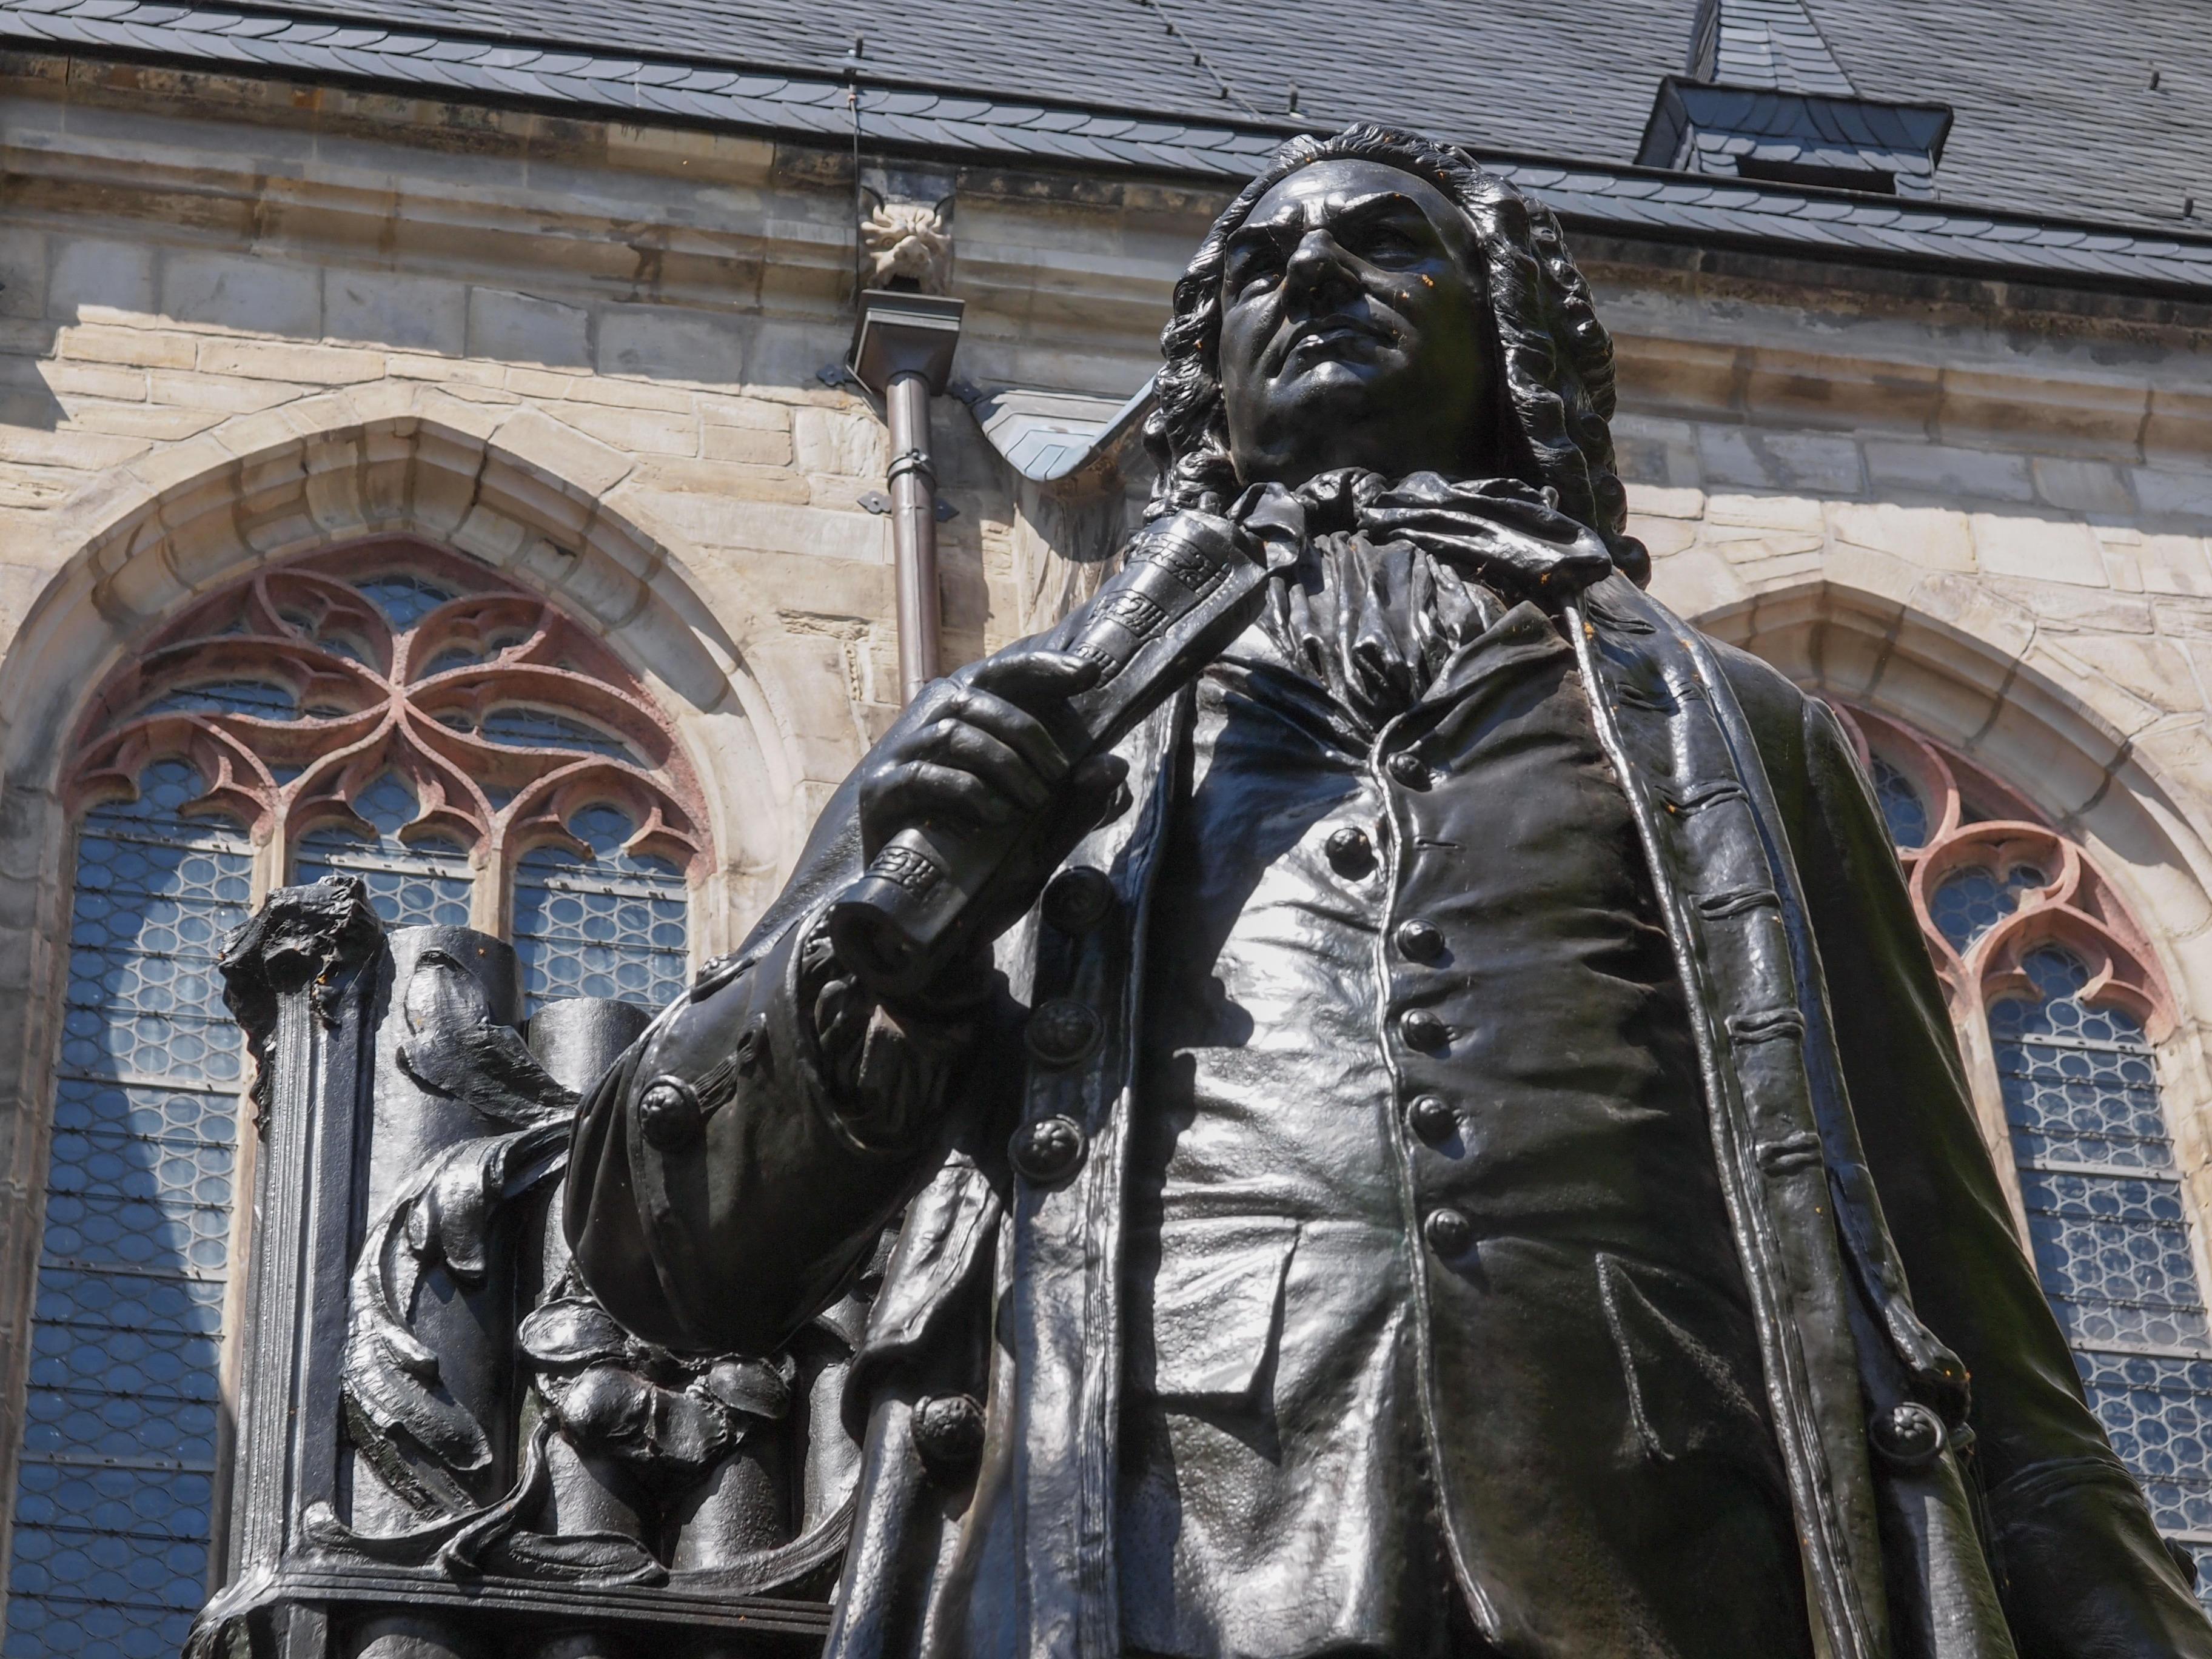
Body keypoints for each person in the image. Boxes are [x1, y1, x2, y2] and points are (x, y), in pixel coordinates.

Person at [564, 124, 2212, 1659]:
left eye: (1384, 246)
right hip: (1154, 1566)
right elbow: (673, 1250)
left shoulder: (1742, 734)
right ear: (1205, 380)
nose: (1316, 276)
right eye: (1266, 264)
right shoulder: (1045, 716)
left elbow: (1970, 1304)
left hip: (1682, 1566)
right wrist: (902, 944)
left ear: (1510, 348)